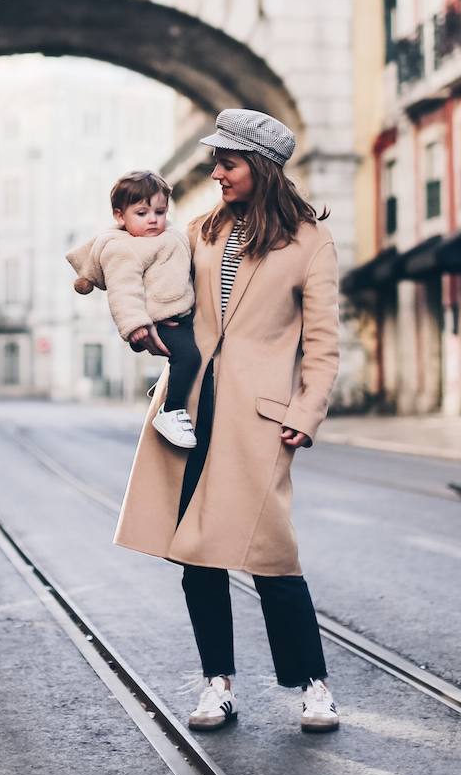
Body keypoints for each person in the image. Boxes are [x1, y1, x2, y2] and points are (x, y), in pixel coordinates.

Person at [113, 108, 341, 735]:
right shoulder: (198, 231)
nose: (216, 172)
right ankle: (218, 682)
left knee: (272, 555)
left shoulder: (310, 241)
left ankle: (313, 686)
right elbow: (148, 276)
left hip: (260, 418)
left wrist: (307, 410)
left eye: (227, 163)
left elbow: (321, 343)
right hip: (191, 405)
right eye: (216, 161)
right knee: (197, 554)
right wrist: (140, 326)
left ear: (260, 169)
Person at [66, 170, 201, 448]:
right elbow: (123, 290)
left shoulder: (167, 234)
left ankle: (169, 387)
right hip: (155, 321)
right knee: (189, 357)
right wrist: (136, 325)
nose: (153, 219)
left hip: (178, 314)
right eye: (142, 213)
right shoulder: (123, 249)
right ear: (120, 216)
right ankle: (171, 410)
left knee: (192, 356)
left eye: (160, 211)